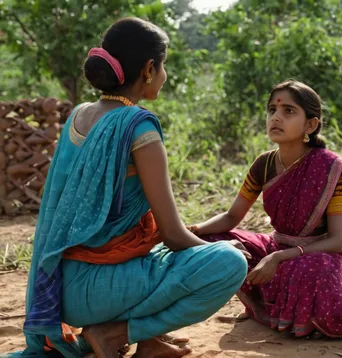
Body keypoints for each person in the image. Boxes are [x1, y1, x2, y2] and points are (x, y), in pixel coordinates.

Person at [11, 17, 248, 358]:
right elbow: (173, 234)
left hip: (60, 286)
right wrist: (228, 257)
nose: (164, 76)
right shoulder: (139, 128)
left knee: (153, 248)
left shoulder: (78, 115)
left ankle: (149, 342)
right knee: (227, 263)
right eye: (164, 66)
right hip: (99, 290)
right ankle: (114, 334)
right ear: (149, 69)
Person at [187, 80, 342, 338]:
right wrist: (193, 230)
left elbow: (335, 241)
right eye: (271, 110)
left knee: (311, 270)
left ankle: (299, 311)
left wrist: (279, 258)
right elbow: (233, 216)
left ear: (310, 125)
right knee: (214, 241)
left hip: (318, 255)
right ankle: (270, 308)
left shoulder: (331, 168)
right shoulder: (264, 164)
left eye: (288, 111)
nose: (276, 117)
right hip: (276, 246)